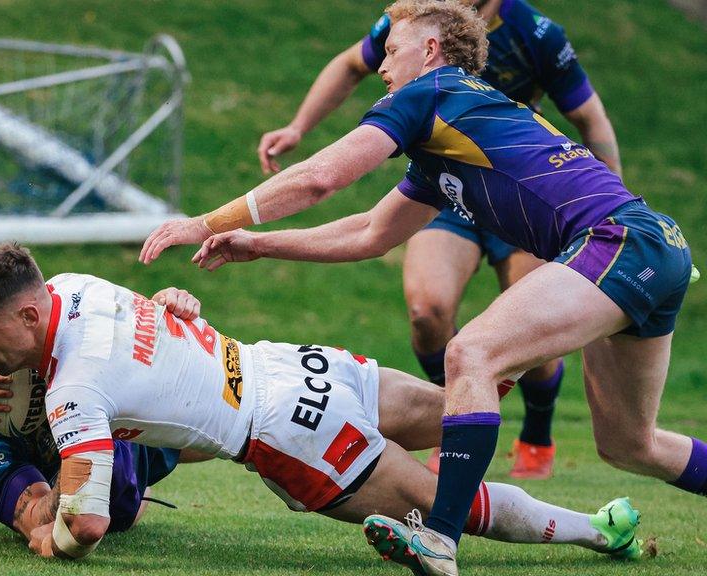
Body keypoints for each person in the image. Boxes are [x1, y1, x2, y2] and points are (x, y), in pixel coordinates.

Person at [139, 1, 696, 574]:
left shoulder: (432, 93)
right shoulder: (448, 134)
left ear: (430, 50)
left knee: (471, 353)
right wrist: (258, 244)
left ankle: (440, 540)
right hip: (654, 248)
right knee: (631, 444)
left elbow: (322, 177)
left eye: (394, 49)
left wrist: (208, 222)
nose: (382, 65)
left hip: (618, 242)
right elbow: (370, 232)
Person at [0, 242, 641, 565]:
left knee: (438, 502)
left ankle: (596, 528)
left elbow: (89, 524)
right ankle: (556, 323)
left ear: (30, 318)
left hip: (285, 431)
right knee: (456, 404)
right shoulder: (71, 284)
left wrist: (49, 539)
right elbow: (144, 340)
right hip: (288, 363)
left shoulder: (74, 390)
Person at [256, 0, 623, 479]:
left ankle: (536, 431)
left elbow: (591, 119)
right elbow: (350, 65)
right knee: (427, 312)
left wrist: (610, 215)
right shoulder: (418, 23)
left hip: (521, 189)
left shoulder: (535, 32)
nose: (386, 62)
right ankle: (450, 420)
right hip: (444, 188)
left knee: (529, 327)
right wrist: (298, 126)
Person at [0, 284, 203, 541]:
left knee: (214, 431)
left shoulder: (50, 347)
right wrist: (82, 446)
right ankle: (140, 492)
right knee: (120, 502)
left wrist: (160, 312)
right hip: (114, 491)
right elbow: (40, 522)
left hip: (137, 425)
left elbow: (101, 316)